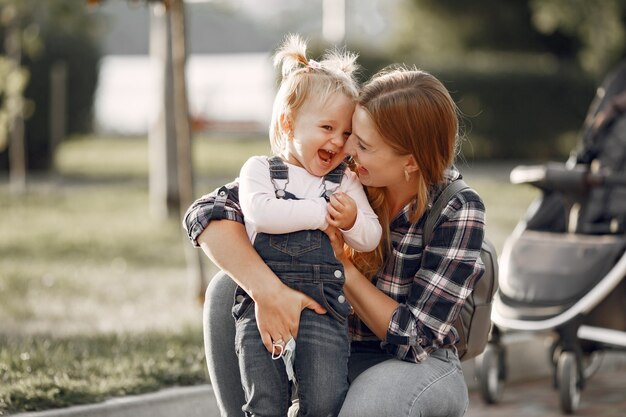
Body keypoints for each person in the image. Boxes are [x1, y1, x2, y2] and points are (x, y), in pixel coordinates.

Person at [184, 65, 486, 417]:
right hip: (331, 342)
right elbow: (205, 212)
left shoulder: (457, 208)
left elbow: (415, 338)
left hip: (417, 363)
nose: (346, 148)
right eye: (350, 133)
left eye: (363, 144)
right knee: (226, 290)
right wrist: (268, 291)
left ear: (411, 162)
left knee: (368, 406)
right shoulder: (341, 176)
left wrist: (341, 266)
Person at [228, 34, 382, 417]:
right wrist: (321, 213)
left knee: (326, 401)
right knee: (264, 400)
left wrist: (350, 221)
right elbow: (262, 214)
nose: (338, 141)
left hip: (324, 309)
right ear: (289, 122)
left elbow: (370, 235)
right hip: (264, 306)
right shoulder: (260, 170)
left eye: (346, 134)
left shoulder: (345, 182)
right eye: (327, 128)